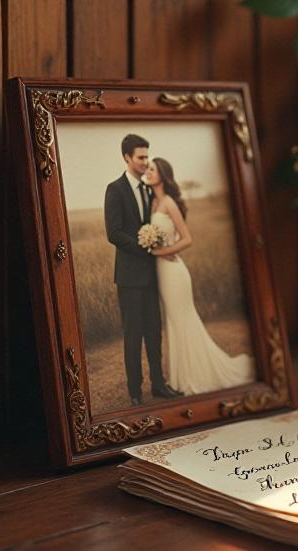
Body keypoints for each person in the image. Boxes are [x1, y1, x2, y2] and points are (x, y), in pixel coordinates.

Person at [145, 157, 255, 395]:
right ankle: (179, 378)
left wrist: (161, 251)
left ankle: (193, 376)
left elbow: (187, 239)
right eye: (148, 169)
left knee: (183, 320)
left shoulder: (169, 203)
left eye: (152, 169)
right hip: (161, 272)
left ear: (162, 174)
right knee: (173, 322)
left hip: (174, 271)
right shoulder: (153, 201)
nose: (148, 171)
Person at [104, 134, 182, 406]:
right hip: (129, 277)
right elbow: (113, 233)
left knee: (154, 331)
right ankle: (135, 391)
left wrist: (161, 245)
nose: (145, 162)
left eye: (147, 157)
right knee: (133, 335)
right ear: (126, 157)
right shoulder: (114, 189)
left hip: (152, 275)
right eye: (141, 157)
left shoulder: (150, 190)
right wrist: (144, 245)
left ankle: (159, 385)